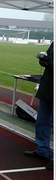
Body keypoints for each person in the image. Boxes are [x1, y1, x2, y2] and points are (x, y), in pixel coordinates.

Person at [24, 41, 54, 171]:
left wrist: (50, 62)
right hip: (47, 87)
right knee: (42, 121)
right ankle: (42, 149)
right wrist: (44, 60)